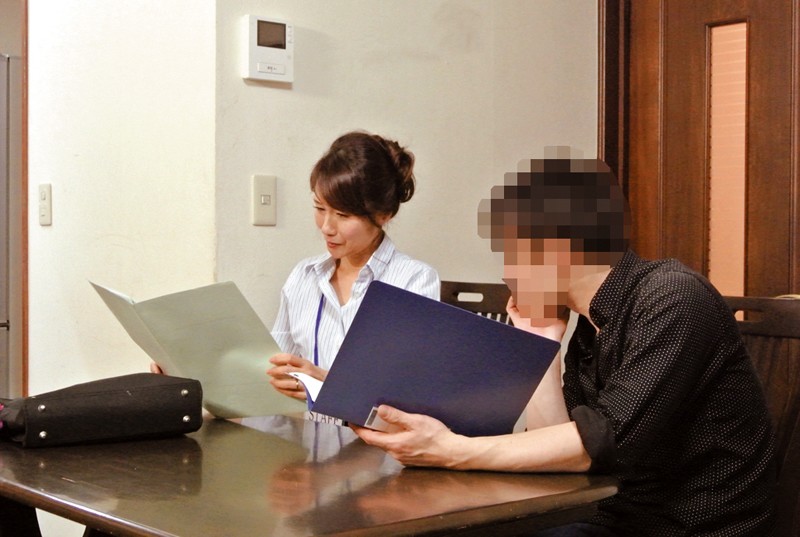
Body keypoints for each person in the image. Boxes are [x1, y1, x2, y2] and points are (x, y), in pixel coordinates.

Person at [353, 149, 776, 536]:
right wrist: (540, 341)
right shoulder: (591, 325)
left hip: (692, 525)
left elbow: (600, 442)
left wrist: (451, 450)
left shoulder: (672, 296)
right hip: (616, 517)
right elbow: (564, 457)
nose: (506, 271)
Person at [266, 131, 440, 401]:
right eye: (320, 208)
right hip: (304, 427)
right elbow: (276, 373)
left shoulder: (414, 281)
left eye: (343, 215)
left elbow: (409, 395)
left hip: (375, 429)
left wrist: (327, 384)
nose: (327, 227)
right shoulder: (303, 275)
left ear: (383, 214)